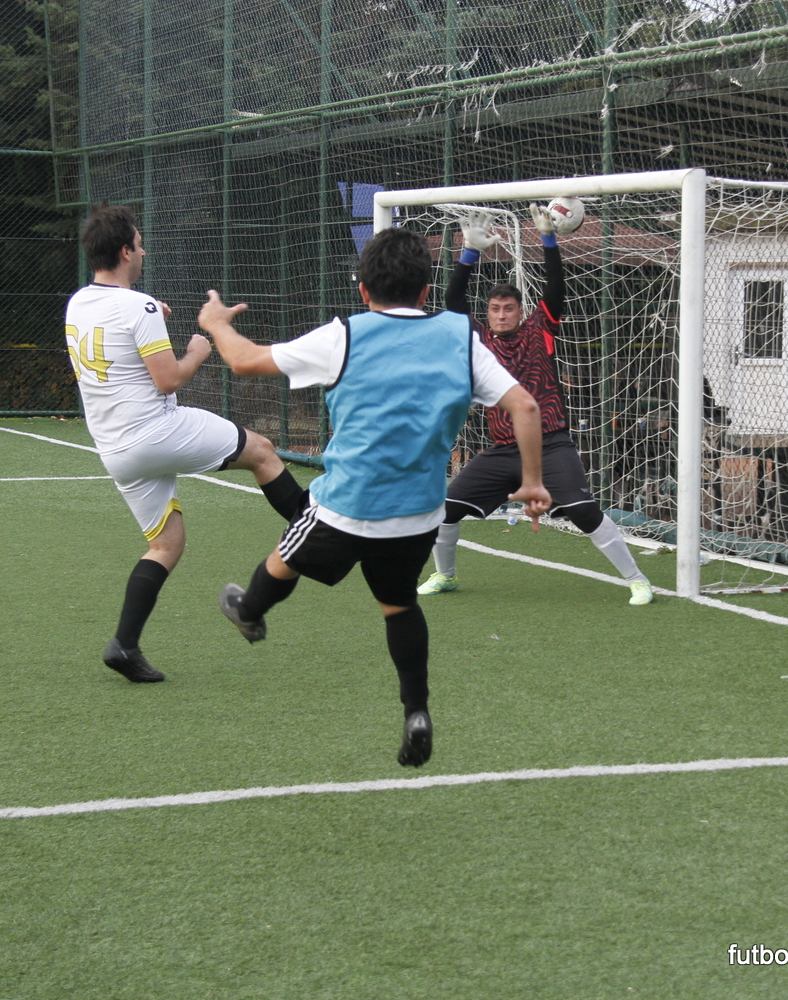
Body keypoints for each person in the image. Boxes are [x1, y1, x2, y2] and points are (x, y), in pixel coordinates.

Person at [197, 226, 551, 767]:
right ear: (426, 292)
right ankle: (417, 712)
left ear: (363, 290)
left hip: (347, 506)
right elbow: (525, 406)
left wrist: (217, 324)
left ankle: (248, 612)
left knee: (285, 556)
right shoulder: (460, 335)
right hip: (418, 514)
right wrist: (532, 481)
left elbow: (244, 360)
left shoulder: (344, 335)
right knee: (399, 604)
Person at [65, 204, 306, 684]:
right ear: (125, 251)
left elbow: (117, 336)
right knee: (262, 451)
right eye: (139, 245)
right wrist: (197, 350)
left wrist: (150, 315)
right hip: (155, 430)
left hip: (114, 449)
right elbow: (168, 379)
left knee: (166, 544)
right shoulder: (138, 306)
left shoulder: (79, 302)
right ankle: (315, 528)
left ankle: (124, 644)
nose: (144, 252)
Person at [415, 205, 653, 606]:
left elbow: (555, 289)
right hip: (502, 450)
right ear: (487, 314)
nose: (501, 314)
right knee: (446, 509)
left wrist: (548, 239)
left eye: (509, 308)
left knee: (583, 511)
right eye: (495, 309)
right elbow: (454, 303)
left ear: (520, 312)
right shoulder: (478, 340)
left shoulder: (539, 330)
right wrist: (468, 254)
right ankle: (445, 575)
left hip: (551, 445)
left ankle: (637, 579)